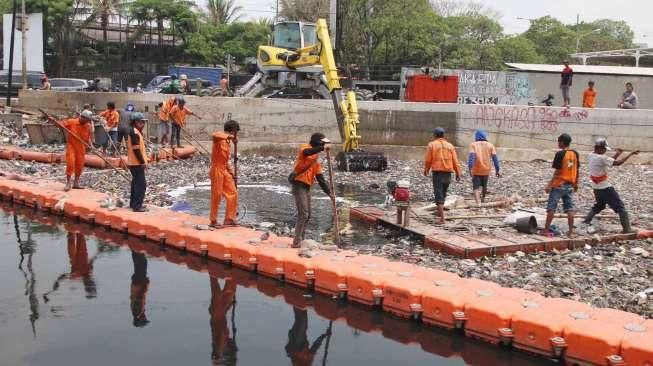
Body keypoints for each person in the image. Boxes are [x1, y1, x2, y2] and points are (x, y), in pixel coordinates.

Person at [583, 138, 639, 233]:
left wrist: (618, 153)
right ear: (600, 148)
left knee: (599, 205)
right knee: (620, 207)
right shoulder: (602, 158)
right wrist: (630, 154)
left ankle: (586, 221)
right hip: (605, 188)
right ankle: (627, 229)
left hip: (596, 187)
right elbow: (617, 163)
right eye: (604, 149)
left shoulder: (591, 155)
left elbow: (609, 161)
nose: (605, 151)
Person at [290, 133, 333, 248]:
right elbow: (307, 153)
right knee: (303, 214)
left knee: (308, 215)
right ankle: (296, 242)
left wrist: (329, 193)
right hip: (298, 184)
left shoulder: (316, 162)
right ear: (318, 143)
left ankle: (301, 239)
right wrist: (323, 148)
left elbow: (321, 179)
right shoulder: (305, 148)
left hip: (307, 187)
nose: (323, 146)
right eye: (322, 143)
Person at [46, 110, 93, 191]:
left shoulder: (88, 126)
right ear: (82, 117)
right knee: (70, 163)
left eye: (88, 120)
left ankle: (76, 183)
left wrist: (90, 145)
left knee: (79, 165)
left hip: (81, 148)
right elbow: (61, 125)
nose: (87, 121)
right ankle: (68, 183)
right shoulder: (72, 122)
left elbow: (88, 138)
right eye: (86, 119)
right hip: (71, 146)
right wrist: (54, 121)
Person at [543, 133, 579, 238]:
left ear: (562, 142)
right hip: (570, 185)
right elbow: (577, 170)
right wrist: (576, 183)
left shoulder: (560, 154)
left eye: (559, 141)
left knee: (551, 208)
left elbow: (557, 172)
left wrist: (549, 185)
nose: (558, 143)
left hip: (559, 184)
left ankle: (545, 230)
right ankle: (571, 232)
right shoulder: (575, 153)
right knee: (570, 209)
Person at [423, 127, 461, 224]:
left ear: (435, 135)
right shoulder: (450, 146)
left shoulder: (432, 145)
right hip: (448, 173)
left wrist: (426, 170)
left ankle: (442, 219)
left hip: (438, 173)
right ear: (444, 135)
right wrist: (458, 173)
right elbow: (455, 161)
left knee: (438, 194)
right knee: (443, 193)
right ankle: (440, 213)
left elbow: (428, 160)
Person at [209, 120, 240, 228]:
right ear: (232, 131)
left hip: (224, 169)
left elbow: (226, 161)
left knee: (233, 192)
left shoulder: (227, 142)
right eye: (236, 132)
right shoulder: (219, 138)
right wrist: (231, 137)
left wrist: (232, 173)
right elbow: (214, 134)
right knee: (216, 195)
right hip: (216, 169)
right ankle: (213, 221)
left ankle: (229, 218)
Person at [209, 276, 237, 364]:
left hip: (218, 311)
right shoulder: (221, 340)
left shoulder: (220, 341)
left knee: (229, 284)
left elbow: (218, 346)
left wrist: (217, 357)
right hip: (219, 312)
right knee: (217, 283)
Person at [467, 129, 500, 205]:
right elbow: (495, 159)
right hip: (486, 170)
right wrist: (497, 170)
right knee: (484, 186)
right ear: (485, 136)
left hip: (476, 170)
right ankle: (483, 199)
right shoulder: (490, 145)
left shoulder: (474, 145)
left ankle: (478, 203)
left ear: (476, 136)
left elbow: (471, 158)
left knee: (475, 187)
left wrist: (470, 168)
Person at [127, 112, 148, 212]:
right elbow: (136, 149)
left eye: (143, 123)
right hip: (136, 163)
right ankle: (137, 206)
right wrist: (142, 162)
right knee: (141, 184)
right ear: (135, 122)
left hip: (133, 162)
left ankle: (133, 203)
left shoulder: (134, 131)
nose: (142, 125)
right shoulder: (135, 132)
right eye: (140, 123)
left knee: (135, 183)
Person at [130, 251, 150, 327]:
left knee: (142, 263)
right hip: (136, 283)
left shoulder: (137, 312)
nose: (145, 317)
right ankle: (135, 251)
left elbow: (139, 297)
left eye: (144, 319)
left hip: (139, 283)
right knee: (139, 265)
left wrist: (145, 285)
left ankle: (136, 251)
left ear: (141, 319)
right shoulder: (136, 312)